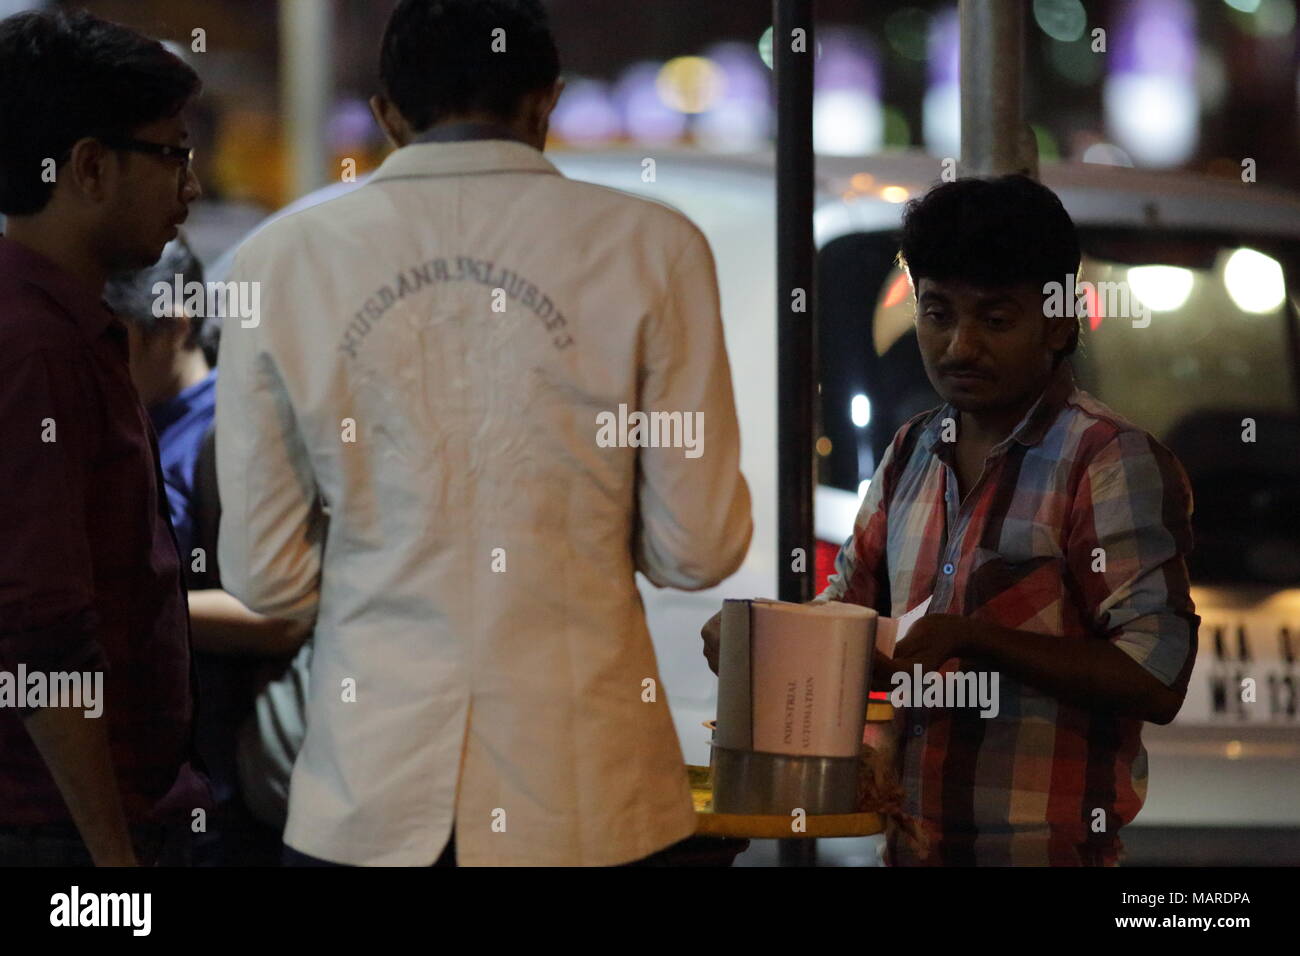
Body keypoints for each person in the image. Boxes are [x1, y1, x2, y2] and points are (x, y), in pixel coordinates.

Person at [216, 0, 751, 866]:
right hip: (589, 796)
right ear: (547, 100)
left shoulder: (278, 260)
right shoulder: (655, 247)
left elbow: (265, 578)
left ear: (387, 113)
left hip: (367, 796)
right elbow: (698, 550)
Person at [704, 175, 1200, 866]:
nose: (960, 346)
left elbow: (1156, 675)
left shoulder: (1106, 460)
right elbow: (846, 614)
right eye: (938, 314)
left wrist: (977, 640)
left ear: (1060, 321)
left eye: (995, 321)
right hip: (909, 849)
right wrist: (759, 637)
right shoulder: (911, 451)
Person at [0, 9, 209, 866]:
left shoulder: (67, 326)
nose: (190, 189)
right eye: (172, 155)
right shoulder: (33, 345)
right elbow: (41, 632)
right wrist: (114, 862)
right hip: (65, 834)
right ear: (88, 167)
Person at [105, 236, 311, 865]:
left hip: (219, 780)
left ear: (174, 323)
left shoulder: (231, 431)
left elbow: (280, 615)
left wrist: (123, 607)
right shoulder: (125, 423)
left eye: (117, 339)